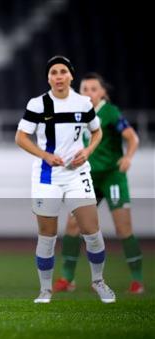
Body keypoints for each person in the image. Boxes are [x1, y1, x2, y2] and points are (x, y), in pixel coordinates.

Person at [15, 55, 115, 304]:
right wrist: (45, 155)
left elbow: (97, 131)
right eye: (53, 73)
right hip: (46, 177)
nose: (58, 76)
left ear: (71, 75)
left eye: (62, 72)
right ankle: (45, 290)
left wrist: (87, 151)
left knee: (92, 231)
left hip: (77, 175)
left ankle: (98, 282)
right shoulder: (38, 104)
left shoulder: (83, 103)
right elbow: (21, 137)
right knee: (47, 235)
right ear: (48, 78)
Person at [53, 73, 143, 294]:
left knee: (123, 229)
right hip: (86, 178)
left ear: (103, 93)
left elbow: (132, 137)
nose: (89, 93)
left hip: (112, 177)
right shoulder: (77, 112)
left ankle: (137, 280)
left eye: (94, 89)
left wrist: (128, 157)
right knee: (73, 225)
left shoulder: (110, 113)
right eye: (85, 89)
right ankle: (67, 278)